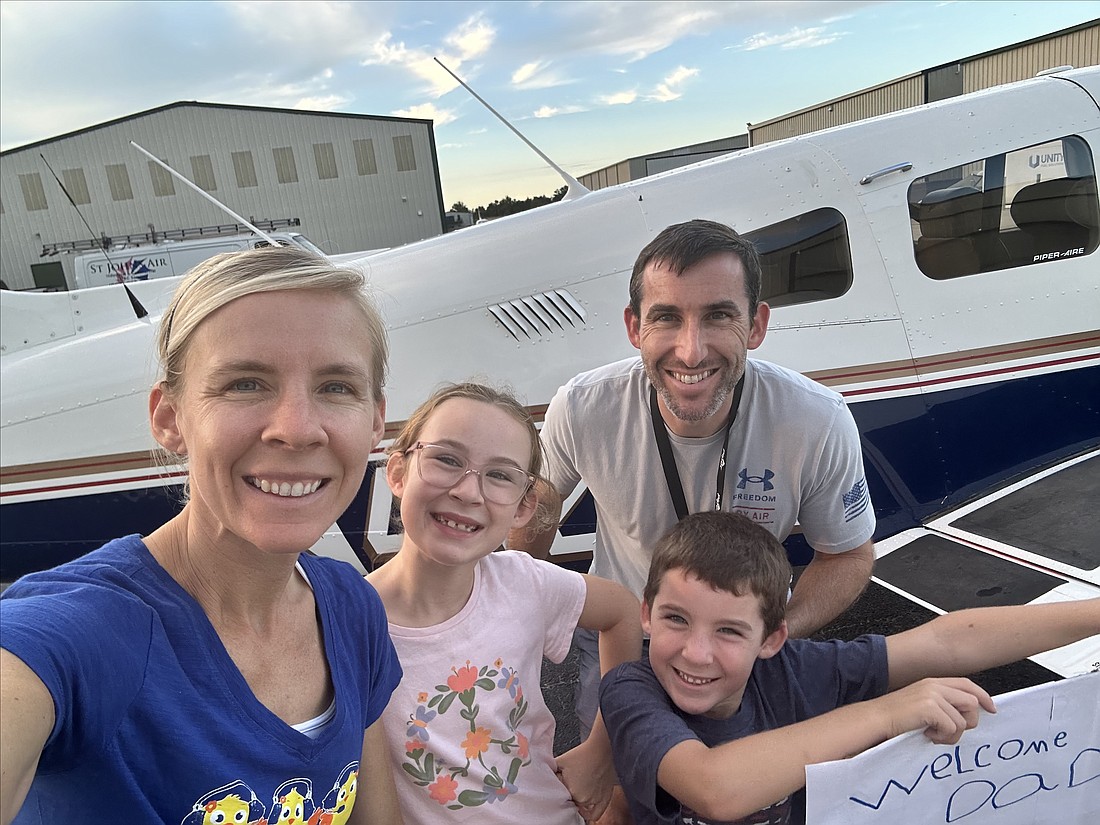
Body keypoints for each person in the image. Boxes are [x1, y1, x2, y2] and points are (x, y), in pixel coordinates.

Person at [0, 247, 404, 824]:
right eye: (245, 383)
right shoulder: (85, 634)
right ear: (170, 418)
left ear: (374, 421)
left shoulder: (351, 606)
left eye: (337, 387)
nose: (296, 428)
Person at [511, 218, 876, 741]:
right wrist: (529, 611)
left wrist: (767, 636)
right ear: (634, 327)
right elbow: (539, 506)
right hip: (623, 636)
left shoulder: (815, 420)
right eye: (666, 318)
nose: (691, 351)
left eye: (718, 316)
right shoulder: (584, 406)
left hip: (742, 642)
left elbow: (848, 555)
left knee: (738, 792)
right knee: (616, 787)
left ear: (756, 325)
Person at [599, 511, 1100, 825]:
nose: (695, 653)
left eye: (729, 631)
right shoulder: (631, 691)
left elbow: (944, 642)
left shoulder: (793, 669)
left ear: (772, 639)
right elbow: (716, 789)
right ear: (647, 614)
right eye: (676, 619)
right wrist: (887, 712)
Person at [367, 383, 643, 824]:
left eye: (499, 475)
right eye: (446, 459)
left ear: (523, 507)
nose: (468, 492)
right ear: (398, 471)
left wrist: (602, 750)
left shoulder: (524, 583)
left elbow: (623, 612)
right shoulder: (353, 622)